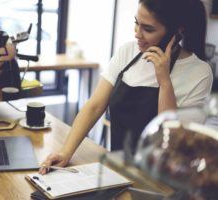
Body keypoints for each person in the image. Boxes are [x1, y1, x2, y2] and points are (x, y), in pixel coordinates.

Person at [39, 0, 213, 174]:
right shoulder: (127, 52)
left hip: (161, 181)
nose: (137, 34)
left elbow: (171, 141)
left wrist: (165, 82)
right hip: (117, 171)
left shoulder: (199, 73)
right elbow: (94, 107)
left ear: (177, 31)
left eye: (148, 29)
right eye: (136, 23)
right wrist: (65, 152)